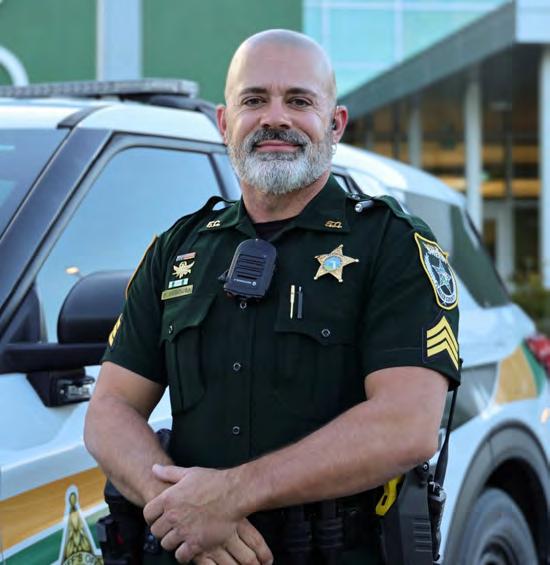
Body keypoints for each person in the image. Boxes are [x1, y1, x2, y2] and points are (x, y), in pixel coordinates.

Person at [84, 29, 460, 565]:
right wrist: (182, 511)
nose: (275, 118)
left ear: (335, 124)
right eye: (254, 100)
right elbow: (109, 409)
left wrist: (231, 496)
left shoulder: (390, 244)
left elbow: (407, 424)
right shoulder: (178, 249)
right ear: (224, 123)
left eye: (299, 101)